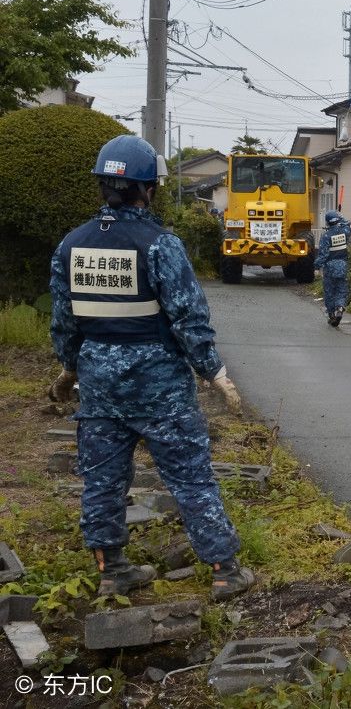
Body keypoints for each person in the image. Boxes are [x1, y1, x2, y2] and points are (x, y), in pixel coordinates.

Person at [48, 135, 255, 601]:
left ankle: (111, 570)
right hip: (160, 387)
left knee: (102, 479)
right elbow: (188, 318)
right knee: (190, 477)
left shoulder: (71, 246)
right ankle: (224, 571)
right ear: (149, 188)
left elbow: (64, 322)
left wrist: (69, 369)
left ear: (103, 185)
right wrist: (214, 372)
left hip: (99, 386)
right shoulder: (161, 244)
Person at [315, 210, 351, 326]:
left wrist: (316, 266)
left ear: (327, 222)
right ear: (337, 220)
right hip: (343, 265)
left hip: (330, 267)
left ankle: (331, 315)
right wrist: (341, 218)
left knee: (329, 291)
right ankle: (340, 308)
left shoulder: (326, 236)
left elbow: (323, 255)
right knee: (341, 290)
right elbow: (348, 224)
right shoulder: (345, 231)